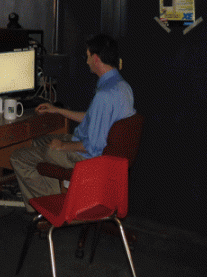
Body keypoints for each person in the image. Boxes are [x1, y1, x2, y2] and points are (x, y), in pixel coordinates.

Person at [10, 33, 135, 212]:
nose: (87, 61)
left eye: (88, 56)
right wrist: (58, 110)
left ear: (97, 58)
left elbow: (93, 145)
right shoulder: (121, 86)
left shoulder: (104, 96)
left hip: (88, 159)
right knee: (38, 141)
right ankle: (57, 192)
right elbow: (93, 118)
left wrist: (63, 146)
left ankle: (51, 207)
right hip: (103, 156)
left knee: (19, 157)